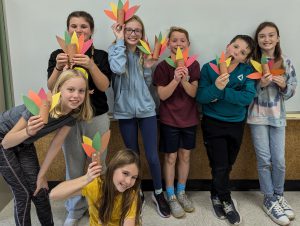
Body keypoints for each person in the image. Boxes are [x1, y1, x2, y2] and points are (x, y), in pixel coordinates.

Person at [0, 69, 93, 226]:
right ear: (59, 90)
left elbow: (56, 144)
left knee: (40, 190)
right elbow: (7, 142)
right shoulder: (43, 103)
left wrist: (42, 175)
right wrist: (28, 131)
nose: (76, 95)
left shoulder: (73, 113)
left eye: (81, 91)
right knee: (23, 194)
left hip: (25, 143)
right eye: (70, 89)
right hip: (4, 139)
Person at [47, 11, 112, 225]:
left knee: (97, 164)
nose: (78, 30)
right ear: (67, 31)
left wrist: (91, 65)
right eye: (73, 26)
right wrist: (58, 67)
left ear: (91, 31)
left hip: (97, 116)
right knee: (73, 165)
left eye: (83, 26)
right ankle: (74, 210)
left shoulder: (100, 55)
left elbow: (104, 86)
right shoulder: (58, 53)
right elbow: (51, 87)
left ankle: (97, 206)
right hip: (68, 118)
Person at [108, 15, 170, 218]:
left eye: (137, 30)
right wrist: (118, 40)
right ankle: (137, 192)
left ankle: (159, 193)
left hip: (147, 111)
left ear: (142, 33)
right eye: (129, 30)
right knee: (132, 156)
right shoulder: (115, 51)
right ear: (122, 31)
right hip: (125, 112)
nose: (133, 34)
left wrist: (147, 67)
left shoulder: (145, 54)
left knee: (152, 156)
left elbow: (147, 83)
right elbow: (117, 69)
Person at [196, 35, 256, 225]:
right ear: (227, 46)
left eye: (243, 52)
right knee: (220, 165)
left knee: (227, 164)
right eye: (235, 46)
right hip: (213, 122)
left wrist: (221, 92)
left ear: (245, 58)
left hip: (237, 124)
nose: (237, 52)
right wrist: (215, 88)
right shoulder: (209, 68)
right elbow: (201, 97)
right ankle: (226, 200)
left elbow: (247, 98)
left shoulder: (247, 71)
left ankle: (215, 194)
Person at [247, 22, 297, 226]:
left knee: (279, 160)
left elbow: (292, 89)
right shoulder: (252, 63)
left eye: (271, 35)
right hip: (257, 116)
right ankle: (268, 198)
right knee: (264, 159)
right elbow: (247, 92)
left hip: (278, 116)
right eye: (262, 36)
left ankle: (278, 195)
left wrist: (284, 85)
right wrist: (261, 84)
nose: (266, 39)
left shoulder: (286, 62)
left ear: (277, 38)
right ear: (257, 40)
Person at [152, 26, 200, 218]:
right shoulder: (162, 67)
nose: (178, 44)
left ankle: (181, 191)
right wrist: (175, 79)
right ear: (168, 44)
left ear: (188, 44)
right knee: (170, 158)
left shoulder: (194, 65)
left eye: (182, 40)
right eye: (174, 40)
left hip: (189, 119)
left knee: (185, 156)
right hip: (169, 119)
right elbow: (162, 95)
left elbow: (194, 93)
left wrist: (185, 79)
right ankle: (170, 194)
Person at [49, 149, 141, 226]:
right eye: (125, 173)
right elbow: (54, 194)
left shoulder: (131, 194)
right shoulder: (96, 186)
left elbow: (129, 222)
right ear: (113, 169)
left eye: (134, 177)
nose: (128, 181)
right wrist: (86, 178)